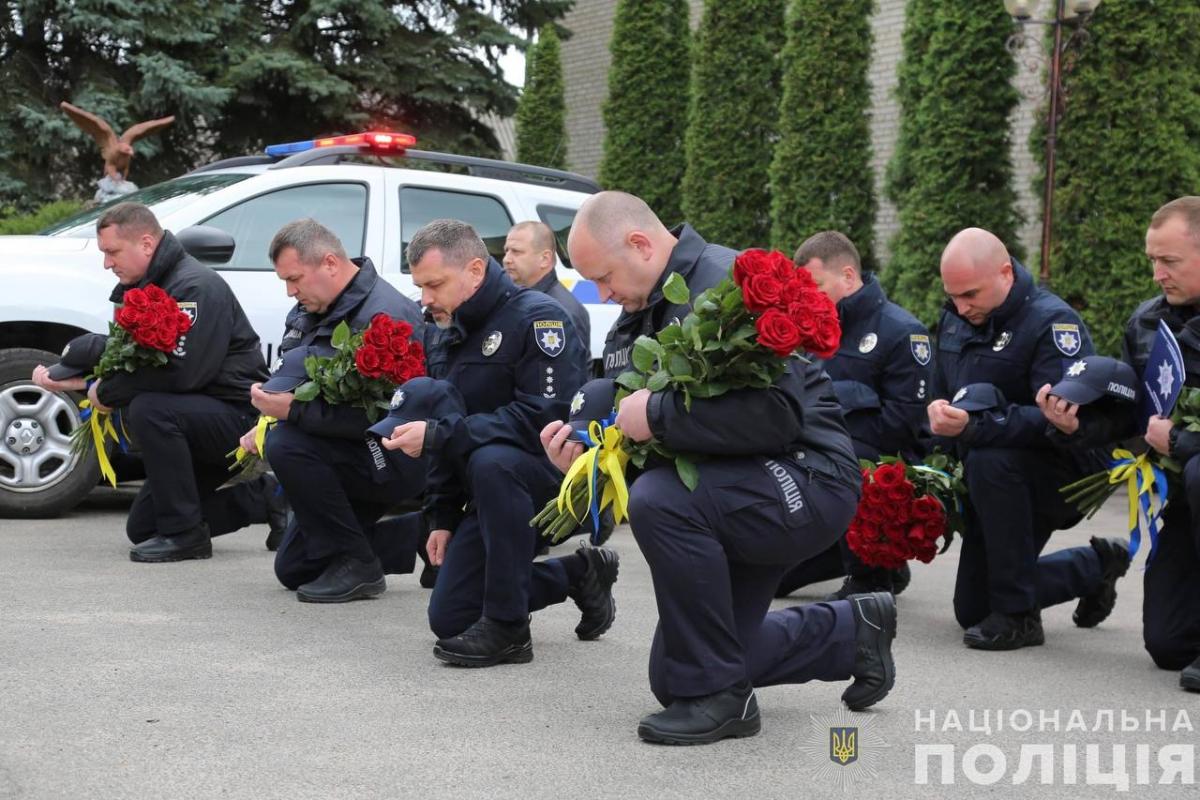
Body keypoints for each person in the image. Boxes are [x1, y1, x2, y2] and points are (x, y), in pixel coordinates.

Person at [541, 191, 898, 745]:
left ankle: (724, 702)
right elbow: (638, 426)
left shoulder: (731, 284)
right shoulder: (632, 317)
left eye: (604, 277)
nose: (603, 294)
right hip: (730, 489)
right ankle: (849, 632)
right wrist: (588, 457)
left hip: (803, 476)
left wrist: (655, 414)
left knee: (661, 502)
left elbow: (776, 416)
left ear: (639, 244)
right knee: (674, 673)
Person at [382, 218, 613, 667]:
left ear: (473, 270)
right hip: (490, 489)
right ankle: (579, 573)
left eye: (434, 284)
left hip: (547, 477)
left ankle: (509, 629)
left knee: (493, 460)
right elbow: (444, 417)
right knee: (450, 617)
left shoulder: (540, 318)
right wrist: (442, 516)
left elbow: (542, 421)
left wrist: (437, 436)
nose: (425, 300)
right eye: (420, 286)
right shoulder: (443, 327)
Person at [31, 202, 278, 562]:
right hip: (195, 418)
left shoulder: (194, 287)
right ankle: (269, 499)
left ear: (147, 244)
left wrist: (105, 392)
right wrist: (84, 382)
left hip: (237, 423)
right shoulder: (154, 284)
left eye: (112, 252)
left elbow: (184, 373)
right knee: (144, 528)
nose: (107, 263)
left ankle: (186, 536)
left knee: (150, 408)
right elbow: (138, 359)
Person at [930, 227, 1129, 651]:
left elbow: (1052, 421)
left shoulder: (1053, 324)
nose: (961, 308)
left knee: (991, 458)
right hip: (994, 476)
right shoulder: (956, 315)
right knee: (973, 608)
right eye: (953, 296)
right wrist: (938, 412)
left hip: (1059, 469)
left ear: (1005, 273)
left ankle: (1020, 619)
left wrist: (972, 427)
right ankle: (1095, 564)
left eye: (970, 294)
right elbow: (940, 388)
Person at [1040, 196, 1200, 691]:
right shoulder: (1147, 323)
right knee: (1168, 646)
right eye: (1152, 259)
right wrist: (1075, 426)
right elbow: (1134, 415)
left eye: (1169, 261)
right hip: (1185, 504)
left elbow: (1171, 438)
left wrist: (1180, 439)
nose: (1157, 273)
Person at [238, 219, 426, 603]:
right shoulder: (313, 306)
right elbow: (294, 378)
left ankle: (360, 566)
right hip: (342, 451)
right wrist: (266, 418)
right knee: (293, 569)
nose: (291, 291)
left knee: (286, 444)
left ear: (329, 263)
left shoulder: (386, 317)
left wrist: (292, 414)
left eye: (295, 278)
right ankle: (420, 533)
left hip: (388, 458)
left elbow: (384, 422)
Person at [775, 231, 932, 600]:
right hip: (819, 464)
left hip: (879, 467)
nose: (809, 295)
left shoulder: (902, 332)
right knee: (775, 580)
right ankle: (881, 562)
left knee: (857, 452)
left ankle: (870, 574)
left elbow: (902, 427)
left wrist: (830, 434)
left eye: (817, 284)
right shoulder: (812, 329)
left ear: (848, 276)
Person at [503, 220, 591, 355]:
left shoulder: (559, 311)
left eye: (516, 252)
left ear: (545, 258)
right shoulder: (517, 298)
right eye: (506, 251)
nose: (506, 259)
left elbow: (563, 373)